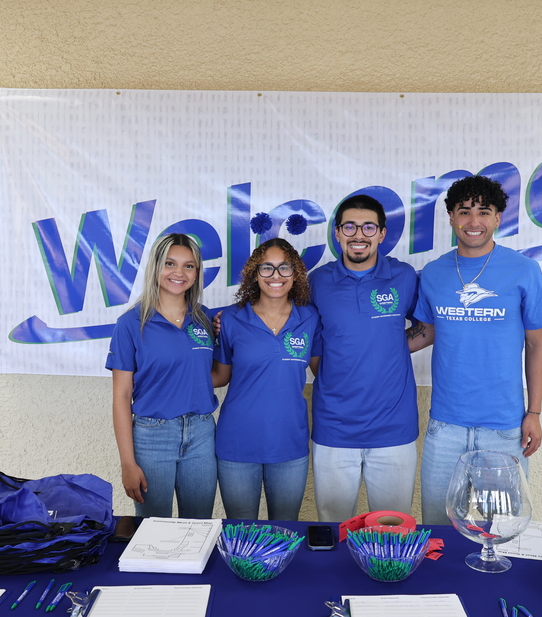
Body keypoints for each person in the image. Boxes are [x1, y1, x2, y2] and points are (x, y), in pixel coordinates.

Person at [410, 176, 542, 525]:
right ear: (450, 217)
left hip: (504, 429)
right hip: (445, 425)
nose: (473, 222)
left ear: (497, 218)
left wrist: (534, 412)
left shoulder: (524, 270)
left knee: (503, 529)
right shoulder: (433, 273)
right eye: (464, 211)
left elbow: (537, 343)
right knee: (438, 529)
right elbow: (426, 332)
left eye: (483, 212)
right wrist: (372, 353)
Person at [308, 194, 420, 523]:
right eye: (350, 227)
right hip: (334, 428)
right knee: (334, 528)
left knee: (391, 529)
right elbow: (307, 340)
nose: (359, 234)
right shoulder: (317, 282)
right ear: (338, 233)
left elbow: (428, 327)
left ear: (382, 234)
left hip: (393, 428)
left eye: (368, 226)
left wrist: (391, 346)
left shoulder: (404, 276)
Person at [106, 233, 218, 518]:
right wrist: (127, 463)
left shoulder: (205, 318)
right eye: (170, 263)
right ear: (155, 267)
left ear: (197, 272)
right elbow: (121, 396)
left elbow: (207, 375)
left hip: (202, 433)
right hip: (152, 437)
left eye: (189, 266)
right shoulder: (130, 324)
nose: (179, 272)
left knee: (198, 527)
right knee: (153, 534)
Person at [211, 238, 320, 520]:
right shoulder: (231, 319)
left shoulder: (309, 318)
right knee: (242, 534)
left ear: (295, 274)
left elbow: (324, 372)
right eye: (266, 268)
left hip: (289, 443)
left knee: (284, 533)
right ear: (254, 273)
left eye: (284, 268)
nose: (275, 276)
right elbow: (220, 377)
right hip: (237, 443)